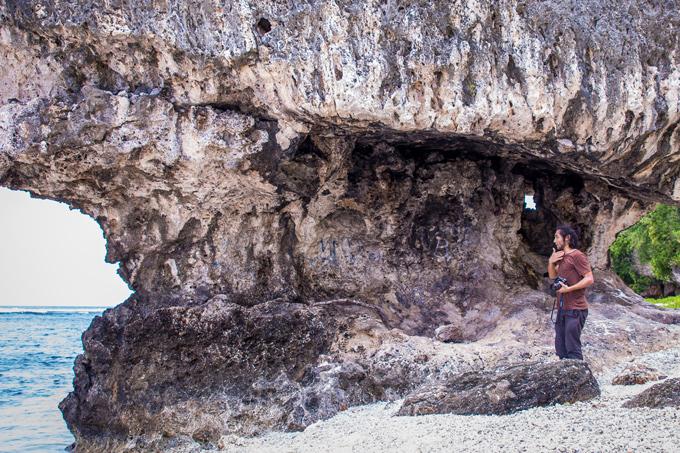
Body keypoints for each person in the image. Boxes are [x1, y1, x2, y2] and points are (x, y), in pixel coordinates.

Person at [547, 225, 594, 360]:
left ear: (567, 238)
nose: (554, 240)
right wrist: (551, 261)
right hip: (562, 309)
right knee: (561, 349)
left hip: (576, 309)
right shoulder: (561, 257)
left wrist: (569, 289)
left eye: (557, 237)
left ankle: (582, 379)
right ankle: (568, 380)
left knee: (572, 348)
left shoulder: (577, 255)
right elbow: (552, 276)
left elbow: (589, 278)